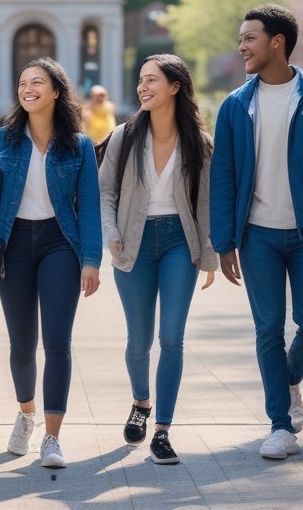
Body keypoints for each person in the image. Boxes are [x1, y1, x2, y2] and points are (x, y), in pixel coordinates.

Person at [210, 4, 303, 461]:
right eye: (240, 38)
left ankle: (287, 379)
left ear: (277, 41)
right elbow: (223, 176)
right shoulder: (236, 105)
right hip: (257, 236)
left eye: (249, 38)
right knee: (267, 329)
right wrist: (224, 242)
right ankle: (280, 423)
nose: (242, 46)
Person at [0, 57, 102, 469]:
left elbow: (90, 207)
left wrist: (91, 259)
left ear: (55, 91)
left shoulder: (79, 145)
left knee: (58, 343)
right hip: (13, 244)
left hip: (59, 243)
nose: (27, 89)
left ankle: (52, 437)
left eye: (37, 82)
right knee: (21, 343)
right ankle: (26, 413)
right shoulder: (2, 140)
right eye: (22, 83)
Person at [99, 54, 217, 465]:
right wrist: (110, 233)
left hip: (178, 243)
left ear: (175, 86)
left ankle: (163, 430)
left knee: (171, 337)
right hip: (131, 241)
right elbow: (105, 192)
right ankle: (140, 403)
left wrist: (208, 255)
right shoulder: (124, 136)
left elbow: (206, 202)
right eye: (141, 80)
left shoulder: (200, 142)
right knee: (139, 339)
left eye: (152, 80)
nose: (143, 87)